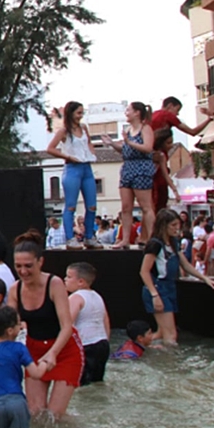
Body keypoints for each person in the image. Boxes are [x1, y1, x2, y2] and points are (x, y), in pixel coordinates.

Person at [6, 230, 83, 418]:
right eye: (18, 266)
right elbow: (9, 329)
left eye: (28, 266)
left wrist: (53, 353)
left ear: (40, 262)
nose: (23, 271)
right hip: (34, 350)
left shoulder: (54, 284)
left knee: (54, 416)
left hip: (64, 350)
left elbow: (66, 326)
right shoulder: (15, 289)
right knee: (36, 414)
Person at [143, 209, 214, 346]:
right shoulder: (155, 244)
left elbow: (185, 264)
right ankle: (170, 363)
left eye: (178, 225)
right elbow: (144, 271)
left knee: (162, 332)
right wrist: (154, 295)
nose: (177, 228)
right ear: (163, 225)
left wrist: (205, 279)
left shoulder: (174, 242)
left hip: (170, 287)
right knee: (171, 335)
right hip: (158, 288)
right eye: (173, 225)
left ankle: (141, 345)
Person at [0, 305, 50, 428]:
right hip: (15, 402)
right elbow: (36, 374)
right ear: (10, 330)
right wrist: (45, 363)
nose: (22, 327)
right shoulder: (19, 348)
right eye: (19, 324)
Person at [46, 102, 100, 249]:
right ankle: (70, 238)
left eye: (82, 113)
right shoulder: (64, 131)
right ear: (71, 114)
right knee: (70, 206)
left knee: (92, 205)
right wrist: (67, 156)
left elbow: (88, 142)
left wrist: (92, 153)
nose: (80, 116)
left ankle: (90, 236)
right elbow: (50, 148)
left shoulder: (83, 128)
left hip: (86, 167)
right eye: (78, 113)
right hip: (72, 168)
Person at [102, 102, 155, 247]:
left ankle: (151, 238)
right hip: (127, 167)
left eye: (129, 110)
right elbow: (125, 150)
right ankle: (125, 239)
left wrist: (129, 142)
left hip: (141, 167)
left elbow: (148, 147)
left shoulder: (145, 128)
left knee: (145, 206)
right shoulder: (129, 130)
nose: (126, 113)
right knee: (126, 207)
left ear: (137, 113)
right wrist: (112, 144)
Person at [65, 262, 109, 386]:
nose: (65, 280)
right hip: (102, 344)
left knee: (81, 383)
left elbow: (68, 323)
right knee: (97, 381)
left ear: (81, 282)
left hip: (85, 345)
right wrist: (106, 340)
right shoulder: (98, 296)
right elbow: (105, 321)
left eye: (68, 277)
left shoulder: (75, 297)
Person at [150, 128, 180, 213]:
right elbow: (165, 174)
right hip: (155, 185)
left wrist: (175, 190)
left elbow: (165, 175)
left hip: (159, 185)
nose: (171, 145)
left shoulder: (161, 155)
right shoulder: (158, 155)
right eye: (168, 143)